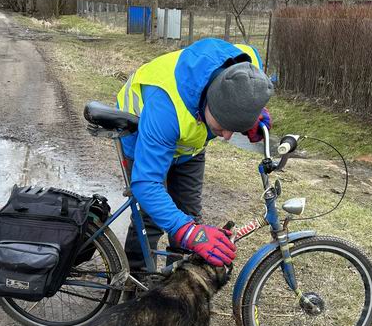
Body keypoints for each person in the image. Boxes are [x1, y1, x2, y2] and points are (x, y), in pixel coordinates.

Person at [116, 37, 274, 272]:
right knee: (150, 219)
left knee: (189, 215)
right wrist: (188, 231)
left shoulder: (247, 67)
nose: (228, 136)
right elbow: (146, 183)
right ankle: (135, 284)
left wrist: (250, 114)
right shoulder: (165, 108)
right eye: (222, 126)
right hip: (141, 136)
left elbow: (246, 91)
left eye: (233, 129)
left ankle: (176, 282)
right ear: (208, 102)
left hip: (189, 147)